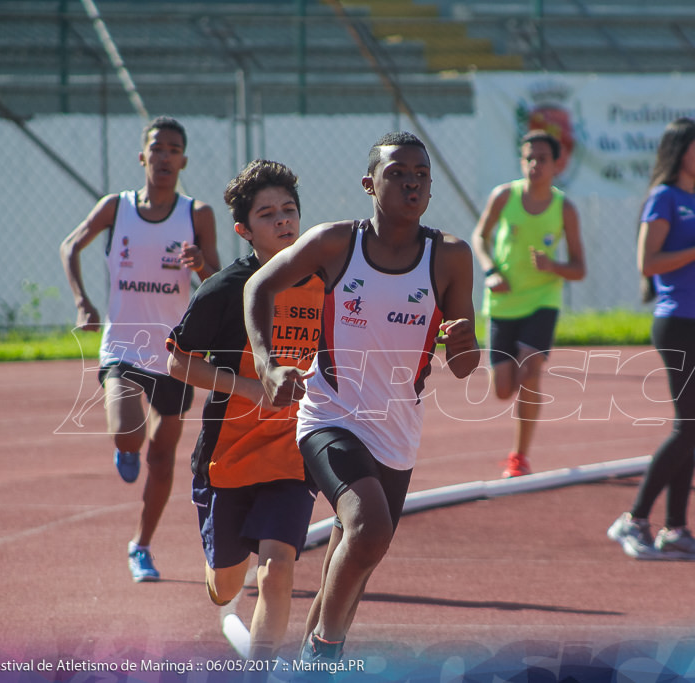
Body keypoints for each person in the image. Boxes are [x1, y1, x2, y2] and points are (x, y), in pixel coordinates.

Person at [243, 131, 480, 663]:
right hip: (329, 413)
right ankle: (327, 652)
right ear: (370, 184)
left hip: (398, 431)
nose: (412, 182)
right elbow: (259, 286)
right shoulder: (335, 243)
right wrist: (267, 362)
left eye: (421, 174)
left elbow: (464, 366)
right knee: (369, 529)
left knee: (352, 563)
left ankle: (307, 661)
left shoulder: (449, 257)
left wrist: (464, 343)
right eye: (398, 173)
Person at [165, 159, 323, 660]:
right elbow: (176, 363)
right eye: (267, 213)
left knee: (277, 570)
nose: (283, 220)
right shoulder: (226, 290)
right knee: (227, 587)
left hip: (294, 453)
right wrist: (250, 389)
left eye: (289, 210)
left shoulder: (330, 280)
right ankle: (220, 570)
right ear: (243, 229)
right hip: (228, 457)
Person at [60, 116, 220, 582]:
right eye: (157, 147)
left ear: (183, 160)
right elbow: (71, 245)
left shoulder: (198, 213)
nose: (165, 156)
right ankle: (127, 447)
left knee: (163, 458)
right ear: (143, 156)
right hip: (124, 347)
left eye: (174, 149)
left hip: (175, 353)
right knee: (129, 436)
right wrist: (81, 300)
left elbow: (218, 279)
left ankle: (141, 546)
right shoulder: (117, 208)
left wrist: (201, 265)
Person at [607, 117, 695, 561]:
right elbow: (648, 263)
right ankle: (633, 520)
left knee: (693, 428)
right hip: (678, 322)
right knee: (691, 426)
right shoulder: (664, 198)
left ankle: (676, 529)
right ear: (681, 152)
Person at [471, 130, 586, 478]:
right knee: (503, 390)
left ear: (557, 165)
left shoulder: (564, 207)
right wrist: (490, 270)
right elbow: (480, 236)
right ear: (522, 162)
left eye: (542, 159)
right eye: (529, 158)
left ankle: (519, 457)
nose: (535, 164)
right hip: (504, 302)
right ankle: (520, 430)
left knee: (531, 371)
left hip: (543, 300)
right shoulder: (504, 196)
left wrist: (553, 267)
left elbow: (579, 268)